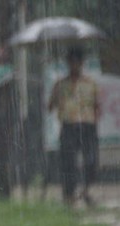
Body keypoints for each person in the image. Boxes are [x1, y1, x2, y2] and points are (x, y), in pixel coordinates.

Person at [48, 45, 100, 207]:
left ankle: (86, 191)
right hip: (69, 126)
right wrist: (59, 101)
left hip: (87, 126)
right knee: (68, 162)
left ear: (82, 63)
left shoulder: (90, 84)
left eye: (77, 62)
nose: (74, 65)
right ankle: (69, 195)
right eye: (71, 62)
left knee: (91, 161)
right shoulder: (60, 84)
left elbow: (97, 106)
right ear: (68, 63)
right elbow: (50, 106)